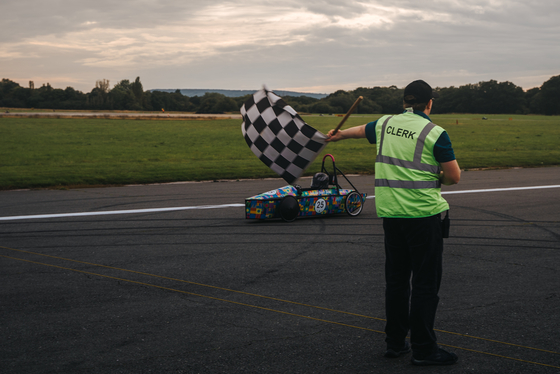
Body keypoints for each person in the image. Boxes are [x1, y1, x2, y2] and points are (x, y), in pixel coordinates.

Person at [326, 80, 461, 366]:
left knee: (397, 282)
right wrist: (437, 177)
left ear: (404, 102)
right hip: (423, 216)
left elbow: (361, 130)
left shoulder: (386, 124)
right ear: (429, 103)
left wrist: (338, 136)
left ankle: (395, 343)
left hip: (391, 215)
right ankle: (424, 349)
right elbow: (454, 176)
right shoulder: (434, 132)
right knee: (425, 284)